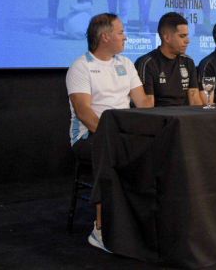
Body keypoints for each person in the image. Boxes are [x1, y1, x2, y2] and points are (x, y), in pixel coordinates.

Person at [65, 13, 152, 252]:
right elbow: (84, 113)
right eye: (121, 32)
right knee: (110, 149)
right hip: (88, 136)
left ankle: (145, 222)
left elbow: (142, 103)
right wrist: (111, 135)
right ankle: (101, 229)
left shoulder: (125, 64)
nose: (125, 36)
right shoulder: (81, 67)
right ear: (105, 37)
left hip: (122, 133)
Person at [135, 12, 201, 106]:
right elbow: (147, 106)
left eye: (187, 36)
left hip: (185, 118)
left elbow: (194, 99)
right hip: (159, 119)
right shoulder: (147, 63)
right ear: (167, 37)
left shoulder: (188, 62)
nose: (188, 41)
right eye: (182, 36)